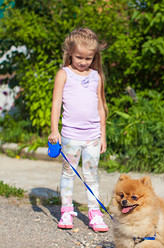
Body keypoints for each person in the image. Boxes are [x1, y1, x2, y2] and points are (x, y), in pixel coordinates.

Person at [48, 28, 109, 232]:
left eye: (88, 58)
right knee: (68, 173)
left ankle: (95, 213)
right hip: (70, 136)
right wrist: (54, 130)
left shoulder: (96, 77)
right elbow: (56, 103)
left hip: (92, 136)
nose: (83, 62)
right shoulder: (63, 74)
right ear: (70, 53)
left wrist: (103, 135)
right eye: (79, 57)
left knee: (91, 175)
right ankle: (66, 210)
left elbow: (101, 106)